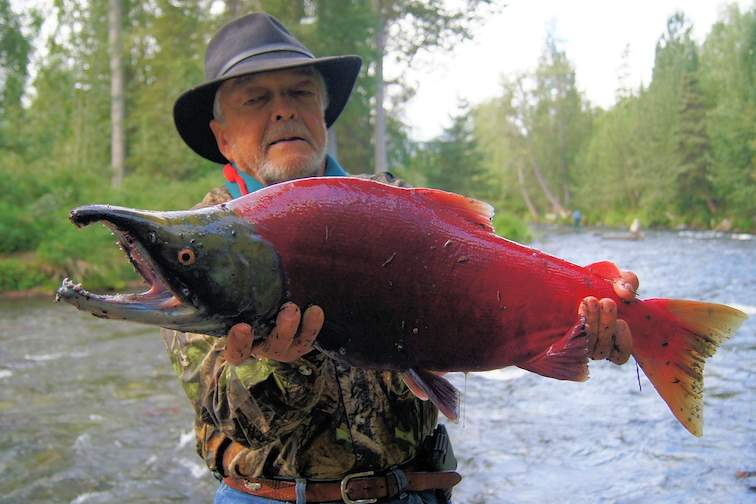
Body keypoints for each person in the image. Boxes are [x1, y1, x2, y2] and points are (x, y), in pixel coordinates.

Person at [163, 12, 638, 504]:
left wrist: (587, 315)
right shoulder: (196, 245)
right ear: (222, 136)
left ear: (323, 113)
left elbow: (491, 307)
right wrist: (282, 364)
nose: (283, 111)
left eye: (300, 92)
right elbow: (229, 415)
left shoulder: (402, 207)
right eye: (256, 99)